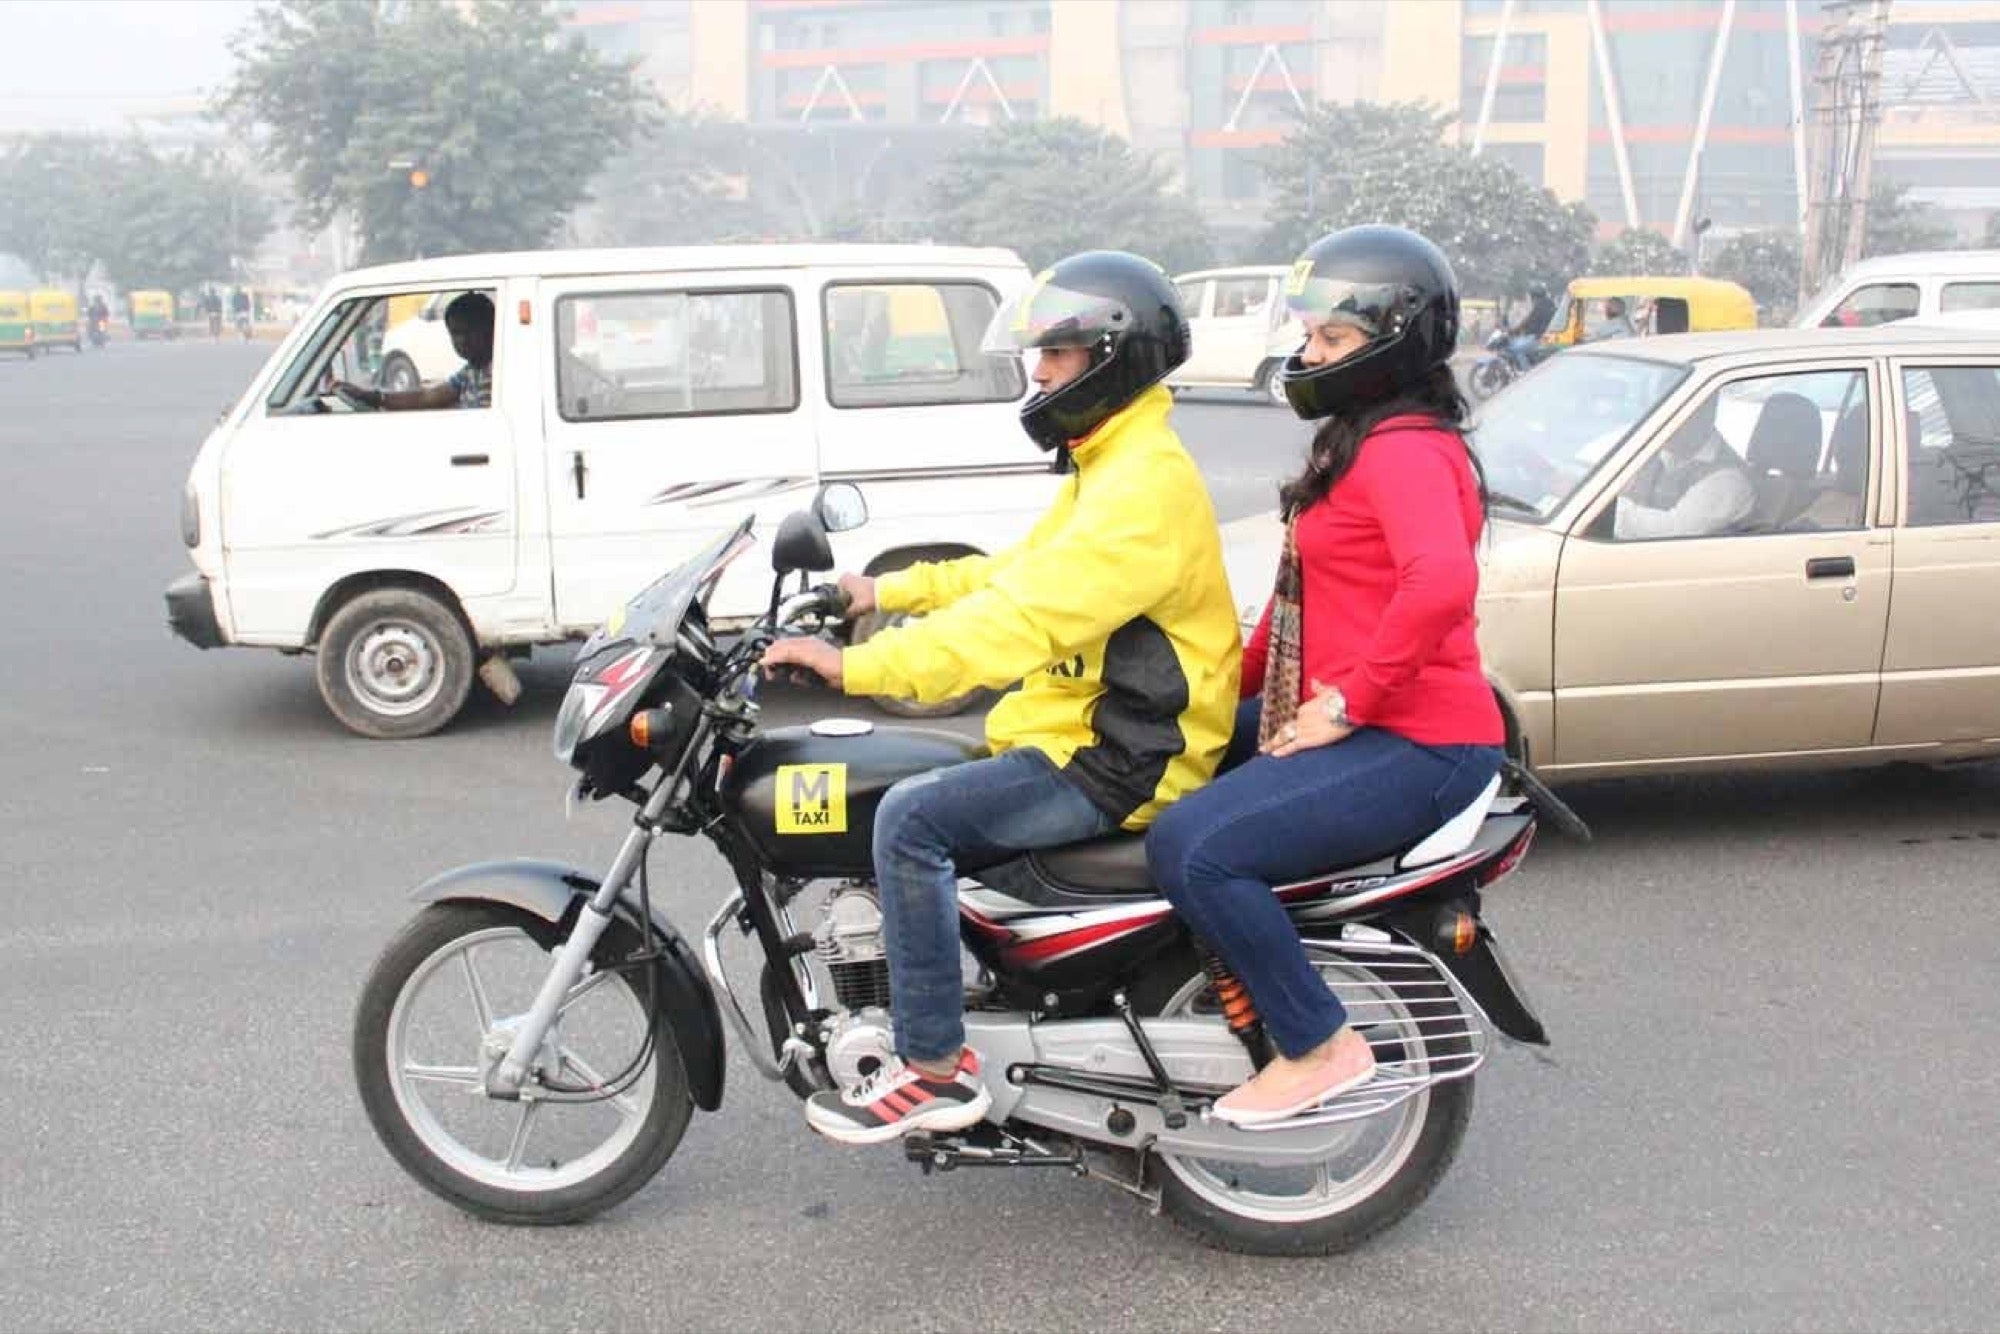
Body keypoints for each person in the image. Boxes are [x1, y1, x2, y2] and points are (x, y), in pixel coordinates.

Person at [760, 251, 1242, 1145]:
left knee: (910, 819)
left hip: (1123, 754)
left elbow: (1017, 624)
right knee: (919, 784)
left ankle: (935, 1068)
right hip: (1084, 730)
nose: (1040, 373)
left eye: (1056, 354)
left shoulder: (1143, 489)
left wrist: (857, 669)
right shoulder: (1115, 463)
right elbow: (1016, 572)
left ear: (1112, 356)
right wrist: (883, 591)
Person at [1145, 225, 1506, 1126]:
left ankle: (1318, 1043)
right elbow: (1294, 609)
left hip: (1421, 740)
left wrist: (1348, 704)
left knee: (1195, 846)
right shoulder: (1359, 440)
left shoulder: (1405, 449)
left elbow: (1440, 583)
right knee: (1154, 757)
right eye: (1310, 335)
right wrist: (1202, 697)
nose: (1310, 355)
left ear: (1397, 342)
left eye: (1333, 338)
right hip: (1360, 717)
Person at [1612, 393, 1755, 539]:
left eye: (1672, 416)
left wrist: (1611, 510)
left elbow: (1674, 531)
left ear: (1702, 416)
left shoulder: (1728, 480)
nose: (1659, 426)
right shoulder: (1653, 453)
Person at [336, 292, 494, 411]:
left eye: (468, 332)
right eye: (455, 333)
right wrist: (374, 397)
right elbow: (428, 397)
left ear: (488, 329)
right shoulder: (470, 372)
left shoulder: (496, 374)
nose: (462, 340)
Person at [1503, 282, 1556, 371]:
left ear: (1534, 296)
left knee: (1516, 349)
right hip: (1548, 338)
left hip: (1539, 338)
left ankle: (1527, 372)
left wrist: (1512, 331)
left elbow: (1527, 321)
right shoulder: (1551, 305)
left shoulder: (1539, 306)